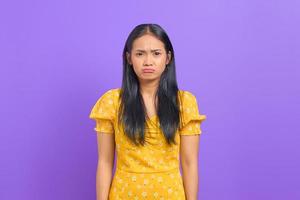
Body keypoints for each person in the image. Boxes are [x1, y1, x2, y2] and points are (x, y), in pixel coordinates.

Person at [89, 23, 206, 200]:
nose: (148, 61)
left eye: (156, 54)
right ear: (129, 58)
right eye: (140, 54)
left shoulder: (184, 103)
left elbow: (190, 164)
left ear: (168, 58)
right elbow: (105, 162)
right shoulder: (112, 102)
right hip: (124, 194)